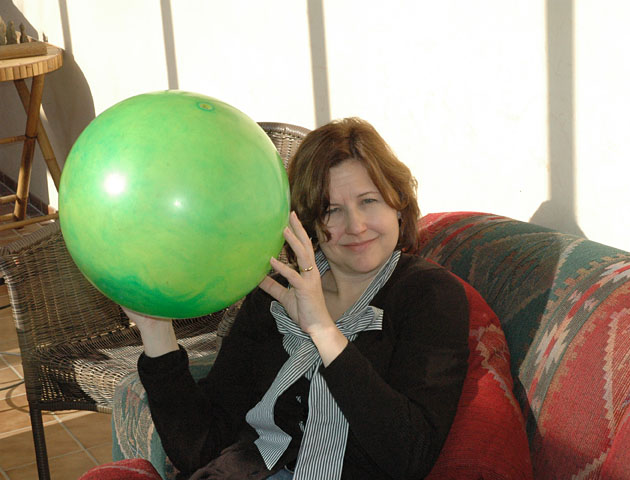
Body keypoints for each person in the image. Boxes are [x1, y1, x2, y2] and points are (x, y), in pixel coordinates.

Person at [126, 117, 470, 479]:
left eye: (368, 201)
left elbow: (410, 455)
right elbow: (201, 448)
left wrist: (323, 330)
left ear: (398, 205)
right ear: (308, 223)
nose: (355, 226)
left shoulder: (430, 296)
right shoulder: (274, 297)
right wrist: (156, 331)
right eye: (331, 210)